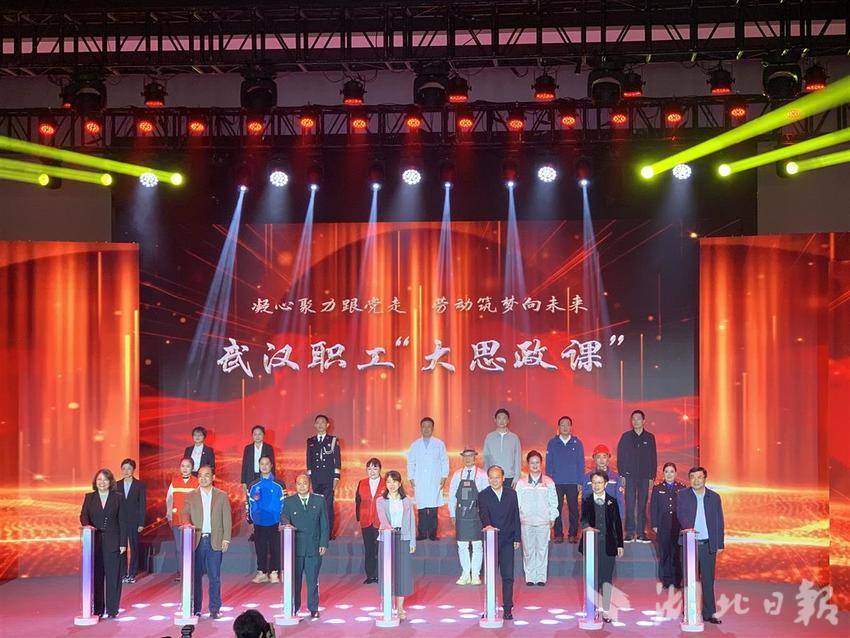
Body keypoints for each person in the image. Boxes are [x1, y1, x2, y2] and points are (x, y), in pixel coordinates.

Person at [182, 465, 232, 619]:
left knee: (214, 577)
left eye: (207, 475)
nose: (203, 478)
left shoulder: (221, 496)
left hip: (214, 540)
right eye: (200, 475)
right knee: (196, 577)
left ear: (213, 477)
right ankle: (196, 608)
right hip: (196, 540)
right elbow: (185, 514)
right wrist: (187, 524)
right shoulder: (190, 496)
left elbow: (227, 518)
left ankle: (215, 608)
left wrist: (226, 538)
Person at [677, 466, 725, 625]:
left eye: (699, 477)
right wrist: (688, 529)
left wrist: (719, 543)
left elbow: (719, 521)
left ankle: (709, 613)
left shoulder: (714, 497)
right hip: (689, 543)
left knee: (708, 580)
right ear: (689, 479)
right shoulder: (682, 495)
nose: (696, 480)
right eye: (693, 477)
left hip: (707, 544)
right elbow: (680, 515)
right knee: (689, 580)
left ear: (705, 479)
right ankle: (689, 610)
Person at [79, 468, 126, 619]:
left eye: (105, 480)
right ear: (95, 482)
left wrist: (123, 543)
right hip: (95, 543)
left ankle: (112, 610)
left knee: (113, 577)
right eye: (99, 479)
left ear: (110, 482)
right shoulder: (89, 497)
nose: (102, 482)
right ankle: (98, 609)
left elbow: (123, 521)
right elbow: (83, 516)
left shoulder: (118, 498)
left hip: (113, 541)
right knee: (97, 577)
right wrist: (87, 527)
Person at [280, 474, 329, 619]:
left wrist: (323, 543)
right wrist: (286, 523)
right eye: (299, 483)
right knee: (295, 580)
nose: (302, 486)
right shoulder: (289, 502)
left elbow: (324, 523)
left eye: (305, 483)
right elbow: (283, 517)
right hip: (295, 548)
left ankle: (313, 608)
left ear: (309, 484)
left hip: (313, 547)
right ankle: (294, 607)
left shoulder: (319, 500)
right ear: (295, 485)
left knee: (313, 580)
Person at [579, 470, 624, 623]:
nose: (596, 485)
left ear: (605, 484)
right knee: (592, 578)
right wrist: (587, 527)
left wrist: (620, 544)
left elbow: (617, 524)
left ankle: (606, 610)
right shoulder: (586, 500)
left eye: (599, 483)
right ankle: (591, 608)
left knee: (606, 579)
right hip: (591, 544)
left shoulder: (612, 501)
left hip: (608, 545)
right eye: (594, 483)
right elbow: (583, 520)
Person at [477, 465, 521, 621]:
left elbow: (516, 516)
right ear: (488, 479)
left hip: (508, 540)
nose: (494, 480)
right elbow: (483, 514)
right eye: (491, 478)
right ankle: (489, 608)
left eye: (497, 477)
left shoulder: (512, 494)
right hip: (491, 540)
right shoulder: (483, 495)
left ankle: (507, 609)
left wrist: (517, 538)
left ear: (503, 478)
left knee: (508, 576)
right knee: (490, 576)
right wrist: (488, 526)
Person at [375, 470, 416, 620]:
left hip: (403, 538)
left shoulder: (407, 500)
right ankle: (387, 605)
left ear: (399, 483)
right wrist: (388, 531)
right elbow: (382, 518)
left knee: (402, 573)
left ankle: (400, 608)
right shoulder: (381, 500)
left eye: (394, 481)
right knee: (387, 572)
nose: (391, 485)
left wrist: (412, 541)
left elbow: (411, 521)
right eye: (388, 482)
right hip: (387, 538)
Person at [516, 450, 558, 586]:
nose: (535, 465)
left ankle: (540, 577)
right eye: (532, 463)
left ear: (541, 464)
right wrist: (518, 519)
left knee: (542, 550)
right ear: (527, 464)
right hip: (526, 522)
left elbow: (553, 502)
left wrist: (552, 517)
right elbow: (517, 503)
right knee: (528, 551)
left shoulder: (548, 482)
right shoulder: (521, 483)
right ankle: (530, 577)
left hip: (543, 522)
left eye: (537, 463)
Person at [447, 448, 489, 585]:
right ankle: (465, 573)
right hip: (461, 513)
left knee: (477, 544)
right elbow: (452, 496)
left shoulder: (482, 475)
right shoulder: (457, 475)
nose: (468, 459)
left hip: (476, 513)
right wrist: (452, 514)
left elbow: (485, 497)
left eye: (470, 456)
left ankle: (475, 574)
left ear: (475, 458)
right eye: (465, 456)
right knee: (462, 544)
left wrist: (485, 515)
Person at [616, 409, 657, 543]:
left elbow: (653, 457)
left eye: (638, 419)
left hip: (645, 476)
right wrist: (622, 474)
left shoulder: (650, 437)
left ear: (644, 421)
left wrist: (652, 476)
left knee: (642, 505)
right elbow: (620, 456)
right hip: (629, 476)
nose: (635, 421)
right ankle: (629, 532)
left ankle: (640, 533)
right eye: (633, 419)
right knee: (630, 504)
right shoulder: (626, 437)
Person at [406, 417, 449, 541]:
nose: (426, 429)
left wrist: (444, 476)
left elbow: (444, 461)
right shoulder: (415, 445)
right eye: (424, 426)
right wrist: (411, 477)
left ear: (432, 428)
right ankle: (422, 533)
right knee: (422, 508)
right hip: (420, 480)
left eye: (429, 426)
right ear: (421, 428)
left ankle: (432, 534)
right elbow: (410, 462)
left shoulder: (439, 444)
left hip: (435, 479)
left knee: (433, 509)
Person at [545, 415, 585, 544]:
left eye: (567, 425)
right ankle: (558, 534)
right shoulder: (552, 443)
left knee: (574, 509)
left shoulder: (577, 443)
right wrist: (549, 481)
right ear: (558, 427)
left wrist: (580, 481)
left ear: (571, 427)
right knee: (556, 508)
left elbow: (581, 463)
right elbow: (549, 463)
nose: (565, 427)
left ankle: (573, 534)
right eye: (562, 425)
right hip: (556, 482)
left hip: (573, 482)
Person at [247, 455, 286, 584]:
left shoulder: (279, 484)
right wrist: (250, 519)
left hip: (275, 521)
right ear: (259, 466)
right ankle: (262, 572)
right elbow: (249, 503)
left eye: (267, 464)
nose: (264, 466)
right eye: (262, 464)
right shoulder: (253, 485)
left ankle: (274, 572)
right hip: (259, 522)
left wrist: (282, 520)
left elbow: (284, 503)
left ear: (271, 466)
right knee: (260, 548)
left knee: (275, 548)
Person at [650, 462, 686, 590]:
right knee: (664, 553)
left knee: (676, 554)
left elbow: (685, 508)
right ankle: (666, 580)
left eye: (671, 471)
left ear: (675, 474)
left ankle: (676, 580)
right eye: (666, 471)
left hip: (677, 526)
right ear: (663, 474)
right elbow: (653, 508)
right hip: (662, 526)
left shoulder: (682, 488)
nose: (669, 474)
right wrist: (654, 524)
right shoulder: (657, 488)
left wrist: (685, 525)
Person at [306, 414, 341, 539]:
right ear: (315, 425)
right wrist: (309, 478)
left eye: (322, 422)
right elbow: (309, 460)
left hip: (328, 478)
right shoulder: (311, 441)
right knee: (316, 506)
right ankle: (318, 531)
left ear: (327, 425)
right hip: (316, 478)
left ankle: (328, 533)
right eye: (318, 422)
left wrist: (336, 478)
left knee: (327, 507)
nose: (320, 425)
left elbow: (337, 460)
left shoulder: (333, 440)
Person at [165, 457, 199, 581]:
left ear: (192, 468)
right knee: (179, 548)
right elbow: (169, 500)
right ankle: (181, 572)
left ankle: (191, 572)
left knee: (191, 547)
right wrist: (169, 514)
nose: (185, 469)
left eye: (188, 466)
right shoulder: (174, 482)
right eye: (183, 466)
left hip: (191, 521)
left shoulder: (197, 482)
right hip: (177, 519)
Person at [355, 457, 385, 584]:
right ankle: (370, 575)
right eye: (369, 469)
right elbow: (357, 501)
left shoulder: (385, 483)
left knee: (380, 549)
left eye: (375, 468)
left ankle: (380, 575)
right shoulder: (362, 483)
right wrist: (359, 517)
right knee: (369, 549)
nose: (372, 471)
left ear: (380, 470)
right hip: (366, 520)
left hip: (381, 522)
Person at [117, 458, 146, 583]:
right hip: (120, 522)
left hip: (134, 522)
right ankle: (123, 574)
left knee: (134, 548)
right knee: (121, 548)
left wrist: (141, 523)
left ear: (134, 470)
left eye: (129, 468)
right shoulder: (116, 485)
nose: (126, 471)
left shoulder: (139, 485)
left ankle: (132, 574)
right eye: (124, 469)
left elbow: (142, 505)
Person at [482, 408, 522, 488]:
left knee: (509, 496)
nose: (502, 421)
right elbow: (486, 458)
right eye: (499, 418)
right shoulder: (489, 437)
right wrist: (486, 476)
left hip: (509, 477)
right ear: (495, 420)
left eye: (504, 418)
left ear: (508, 421)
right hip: (494, 476)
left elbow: (518, 458)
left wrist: (517, 476)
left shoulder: (514, 438)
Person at [583, 444, 625, 517]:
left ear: (608, 458)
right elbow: (584, 499)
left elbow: (620, 500)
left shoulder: (616, 477)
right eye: (598, 457)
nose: (601, 460)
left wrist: (620, 517)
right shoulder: (587, 477)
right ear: (594, 459)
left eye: (604, 457)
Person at [241, 425, 275, 492]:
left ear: (263, 435)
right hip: (250, 477)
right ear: (252, 436)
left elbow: (272, 465)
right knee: (251, 495)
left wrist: (273, 479)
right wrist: (243, 481)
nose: (257, 436)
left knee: (264, 494)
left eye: (259, 434)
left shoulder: (268, 448)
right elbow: (244, 465)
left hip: (264, 476)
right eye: (255, 434)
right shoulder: (248, 448)